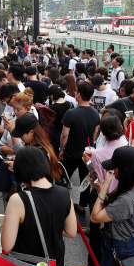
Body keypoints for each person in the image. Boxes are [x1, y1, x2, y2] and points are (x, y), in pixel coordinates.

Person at [1, 146, 77, 266]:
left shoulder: (19, 199)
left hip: (26, 265)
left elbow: (7, 245)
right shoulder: (64, 194)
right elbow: (71, 232)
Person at [72, 114, 127, 266]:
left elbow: (97, 180)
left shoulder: (99, 154)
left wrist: (88, 162)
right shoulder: (126, 145)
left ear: (102, 132)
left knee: (96, 235)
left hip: (103, 197)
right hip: (122, 196)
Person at [59, 81, 101, 214]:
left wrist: (61, 150)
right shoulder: (95, 113)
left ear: (78, 95)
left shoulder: (71, 113)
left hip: (71, 152)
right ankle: (82, 206)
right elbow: (95, 133)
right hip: (87, 154)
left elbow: (64, 134)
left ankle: (59, 203)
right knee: (85, 180)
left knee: (62, 178)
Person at [10, 113, 62, 181]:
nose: (20, 137)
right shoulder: (34, 144)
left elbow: (34, 175)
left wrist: (16, 166)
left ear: (31, 132)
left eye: (21, 135)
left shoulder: (39, 152)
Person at [48, 85, 74, 152]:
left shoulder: (51, 108)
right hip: (69, 134)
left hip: (55, 135)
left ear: (52, 96)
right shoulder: (70, 104)